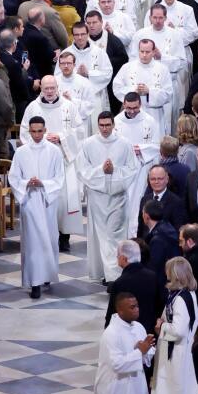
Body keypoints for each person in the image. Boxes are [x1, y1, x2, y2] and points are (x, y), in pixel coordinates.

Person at [6, 115, 64, 299]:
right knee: (32, 244)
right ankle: (34, 283)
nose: (37, 134)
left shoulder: (54, 151)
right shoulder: (21, 152)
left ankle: (46, 274)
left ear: (45, 130)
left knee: (49, 238)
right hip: (30, 201)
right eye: (34, 131)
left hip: (47, 201)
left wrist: (43, 184)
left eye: (40, 131)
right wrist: (27, 184)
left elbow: (59, 178)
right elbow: (14, 177)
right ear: (29, 131)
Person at [77, 110, 136, 284]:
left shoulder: (124, 144)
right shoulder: (88, 144)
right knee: (100, 236)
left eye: (108, 125)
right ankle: (104, 272)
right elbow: (82, 170)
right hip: (97, 198)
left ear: (113, 125)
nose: (104, 129)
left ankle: (115, 276)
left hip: (118, 198)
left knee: (114, 236)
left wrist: (114, 172)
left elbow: (132, 169)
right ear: (98, 125)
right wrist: (101, 171)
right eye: (101, 125)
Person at [151, 256, 198, 394]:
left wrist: (161, 326)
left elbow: (178, 330)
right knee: (178, 393)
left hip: (178, 352)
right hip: (178, 350)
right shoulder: (183, 294)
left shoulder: (180, 299)